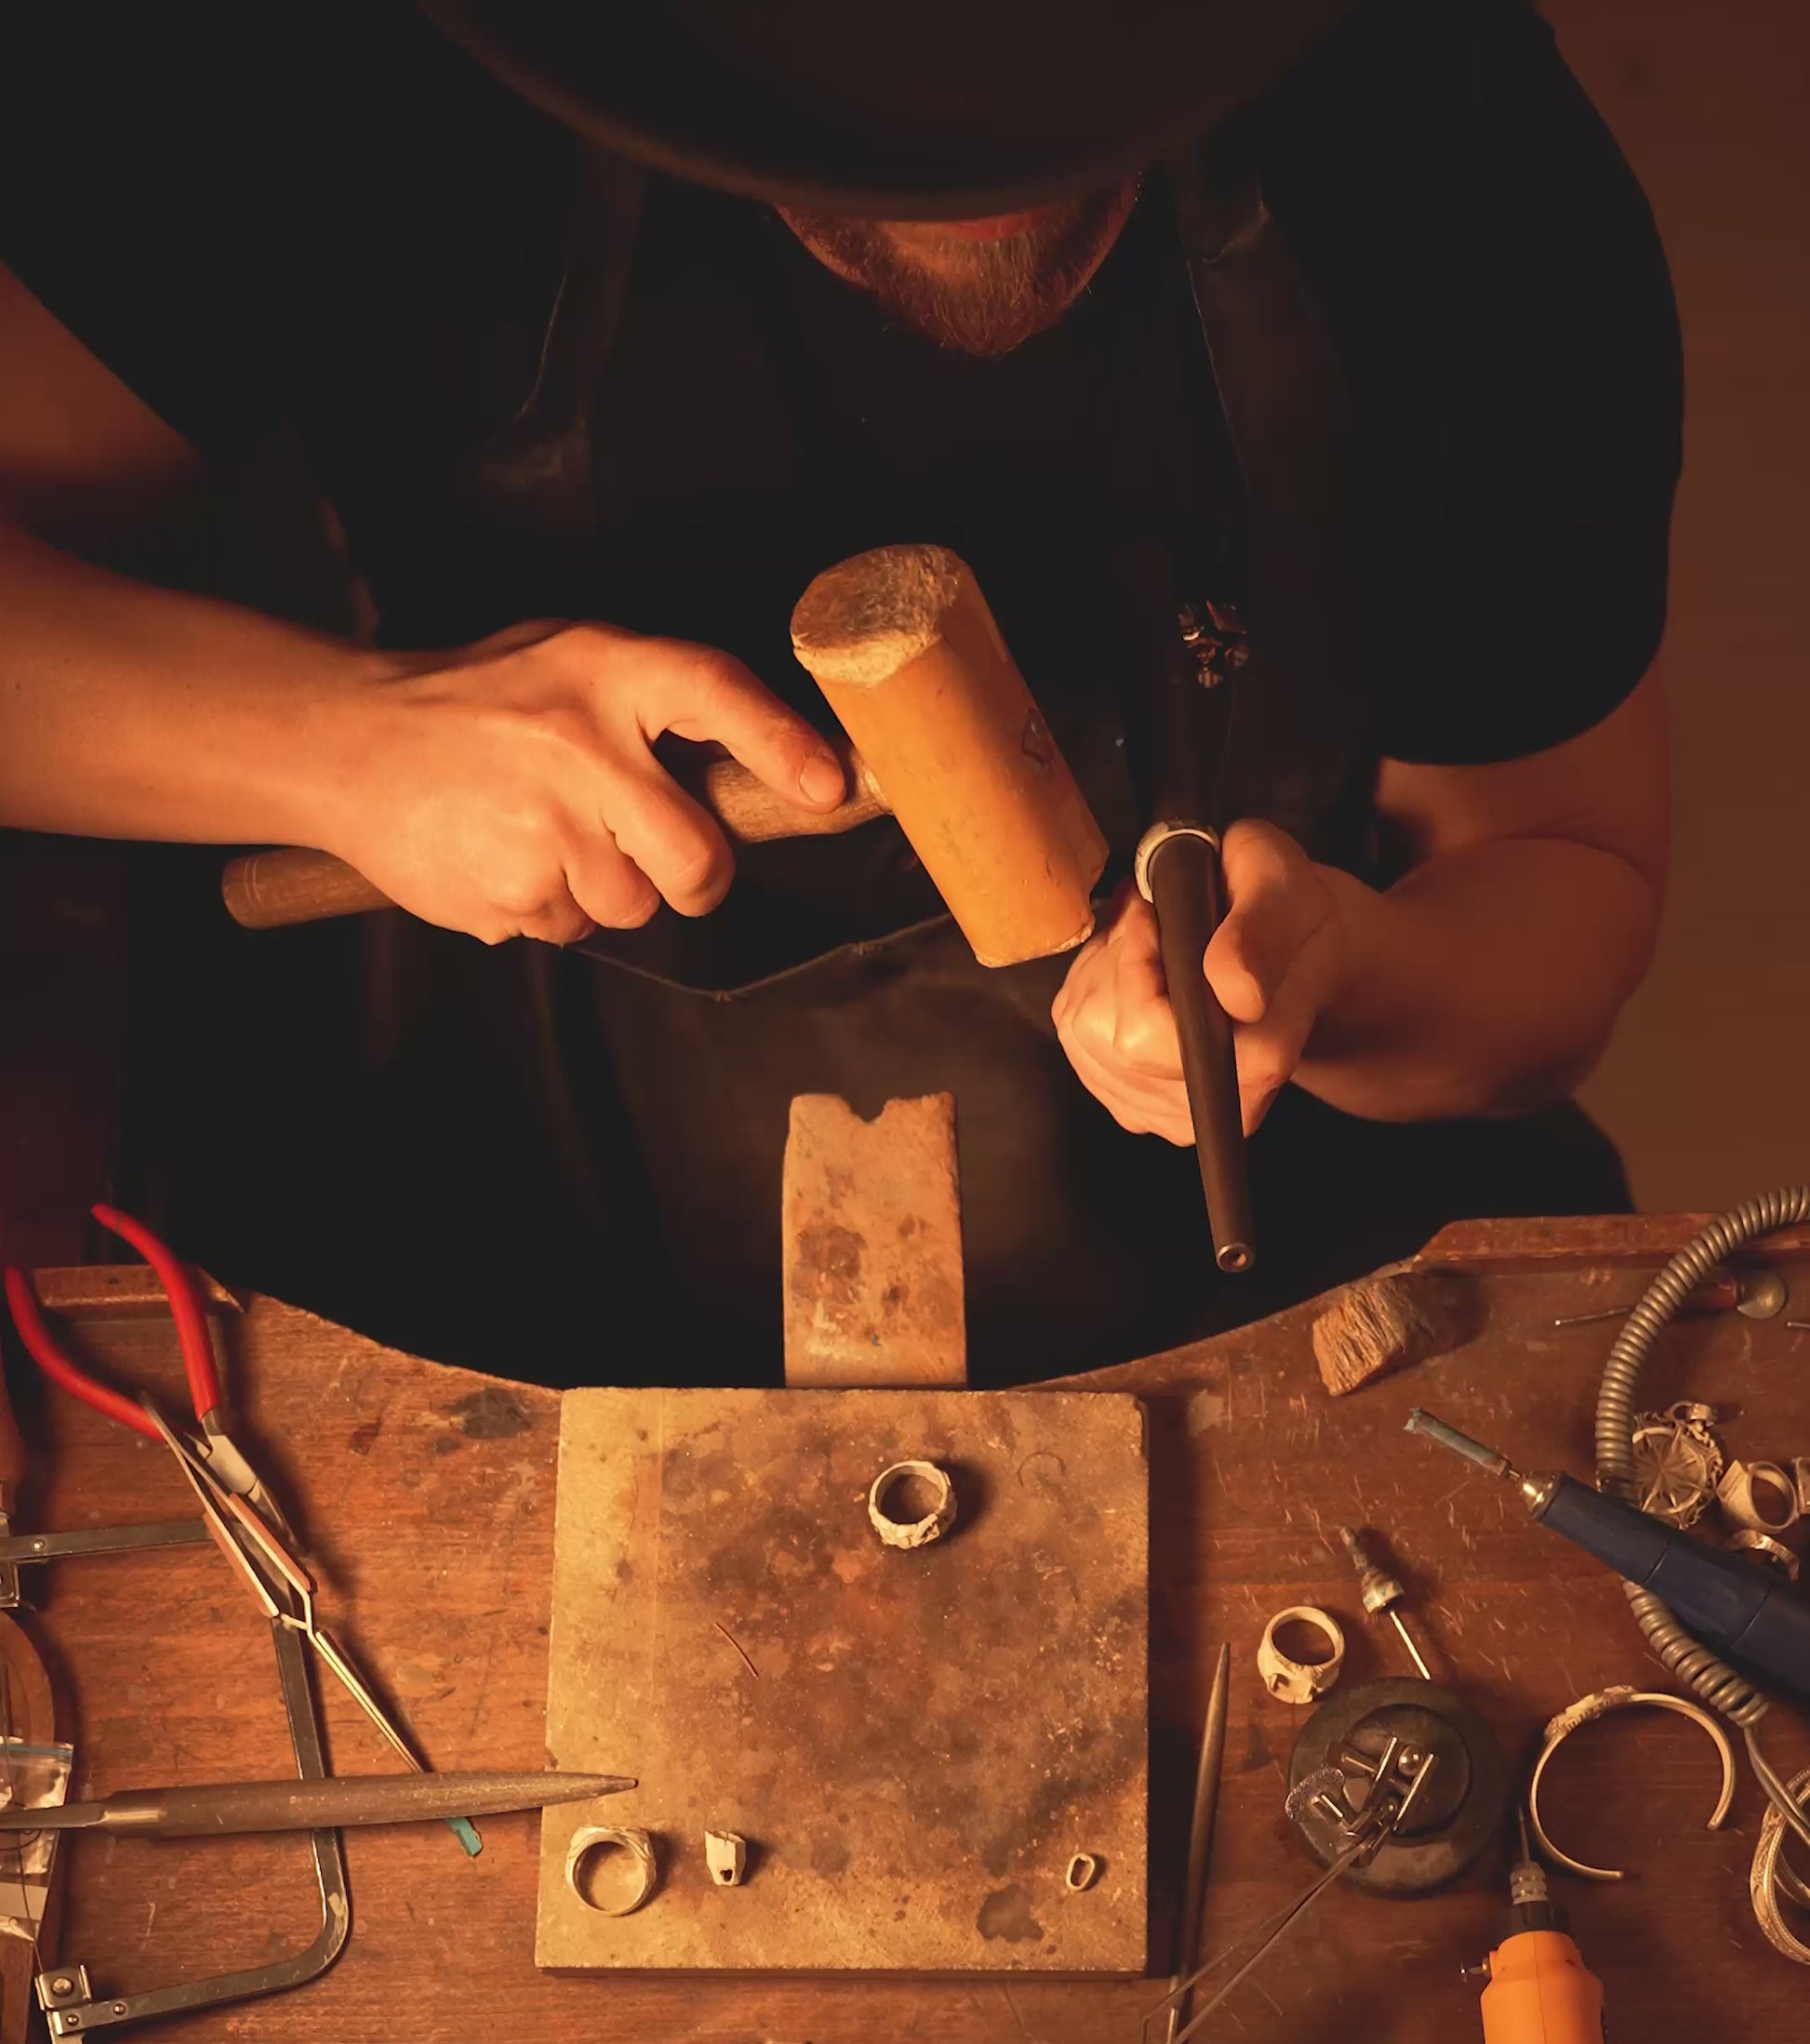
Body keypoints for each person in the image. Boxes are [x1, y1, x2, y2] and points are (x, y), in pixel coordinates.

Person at [0, 0, 1680, 1385]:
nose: (975, 143)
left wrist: (1342, 973)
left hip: (1319, 1301)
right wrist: (335, 744)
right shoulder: (326, 59)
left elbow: (1563, 881)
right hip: (546, 1284)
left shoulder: (1440, 125)